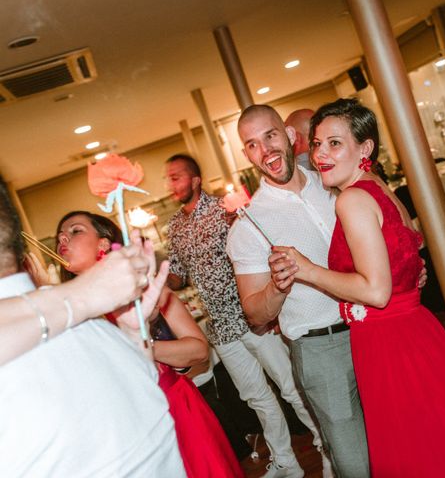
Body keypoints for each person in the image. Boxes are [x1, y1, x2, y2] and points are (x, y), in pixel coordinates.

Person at [267, 98, 445, 477]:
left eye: (334, 143)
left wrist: (307, 269)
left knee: (417, 456)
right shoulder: (377, 186)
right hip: (416, 332)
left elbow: (376, 292)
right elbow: (411, 250)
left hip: (389, 344)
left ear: (365, 148)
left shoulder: (352, 199)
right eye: (316, 144)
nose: (320, 155)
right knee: (443, 448)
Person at [0, 178, 186, 477]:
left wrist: (132, 333)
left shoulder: (97, 318)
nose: (64, 241)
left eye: (75, 232)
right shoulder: (96, 325)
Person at [229, 104, 368, 478]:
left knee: (397, 439)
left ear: (290, 136)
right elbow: (256, 314)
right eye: (253, 145)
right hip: (321, 350)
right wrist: (278, 286)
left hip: (374, 330)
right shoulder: (249, 226)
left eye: (270, 136)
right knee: (355, 465)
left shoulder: (333, 183)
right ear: (248, 155)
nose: (266, 150)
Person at [164, 154, 323, 478]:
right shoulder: (175, 226)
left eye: (177, 177)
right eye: (168, 178)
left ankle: (325, 447)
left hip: (251, 316)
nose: (171, 185)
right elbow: (178, 278)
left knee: (290, 387)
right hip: (220, 327)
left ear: (195, 180)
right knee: (257, 398)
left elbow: (259, 254)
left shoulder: (224, 210)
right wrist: (152, 274)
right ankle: (286, 463)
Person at [55, 211, 243, 478]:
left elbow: (199, 351)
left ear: (104, 243)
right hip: (124, 427)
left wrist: (137, 346)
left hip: (175, 408)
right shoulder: (70, 311)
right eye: (59, 237)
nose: (63, 238)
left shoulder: (142, 289)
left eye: (75, 231)